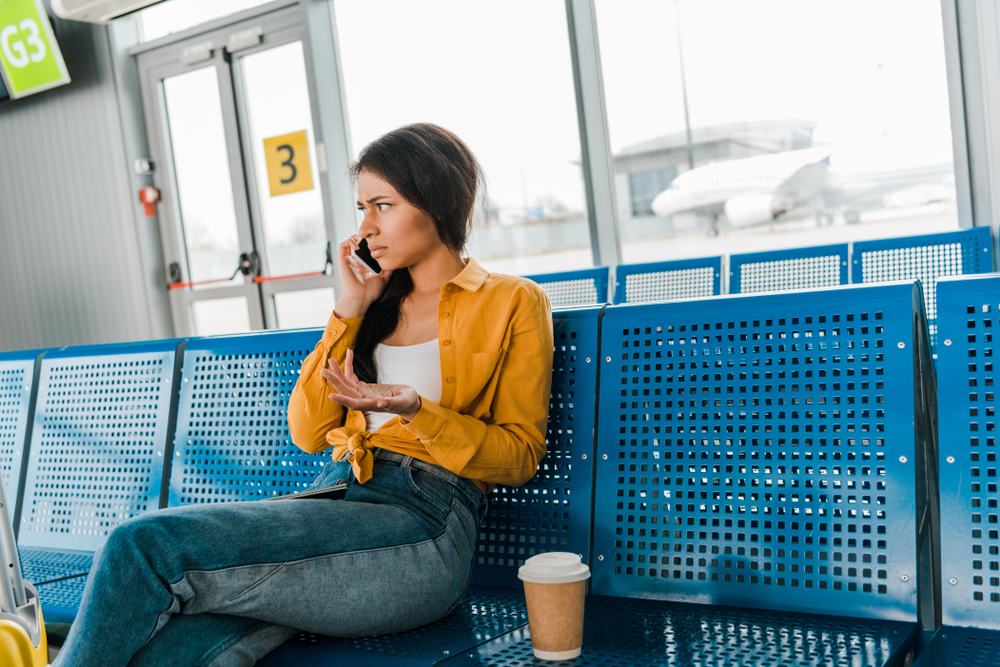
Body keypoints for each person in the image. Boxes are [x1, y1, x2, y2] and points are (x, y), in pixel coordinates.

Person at [50, 123, 554, 667]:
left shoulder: (512, 301)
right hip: (334, 503)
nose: (366, 227)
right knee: (173, 650)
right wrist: (351, 304)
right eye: (362, 208)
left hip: (422, 531)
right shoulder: (372, 304)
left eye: (381, 205)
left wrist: (416, 412)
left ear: (436, 200)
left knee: (140, 546)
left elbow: (520, 455)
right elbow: (309, 431)